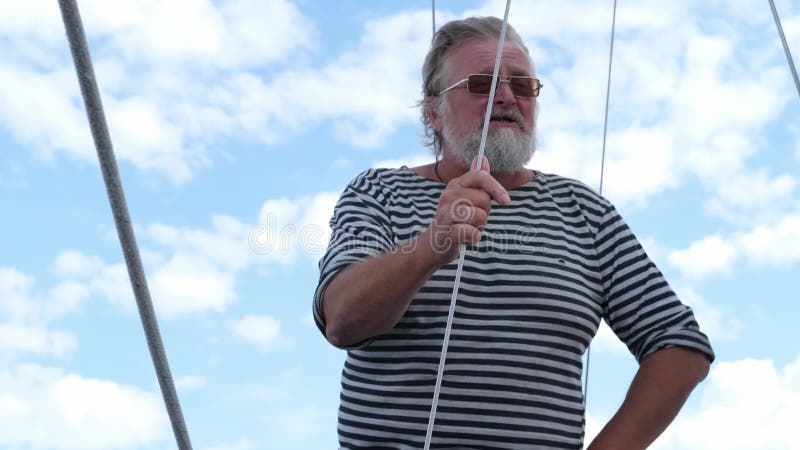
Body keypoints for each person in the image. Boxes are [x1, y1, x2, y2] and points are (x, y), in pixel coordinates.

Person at [313, 16, 714, 450]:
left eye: (523, 86)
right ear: (434, 113)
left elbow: (679, 343)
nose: (506, 97)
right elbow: (341, 320)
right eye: (482, 83)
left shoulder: (585, 211)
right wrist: (433, 243)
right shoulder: (379, 192)